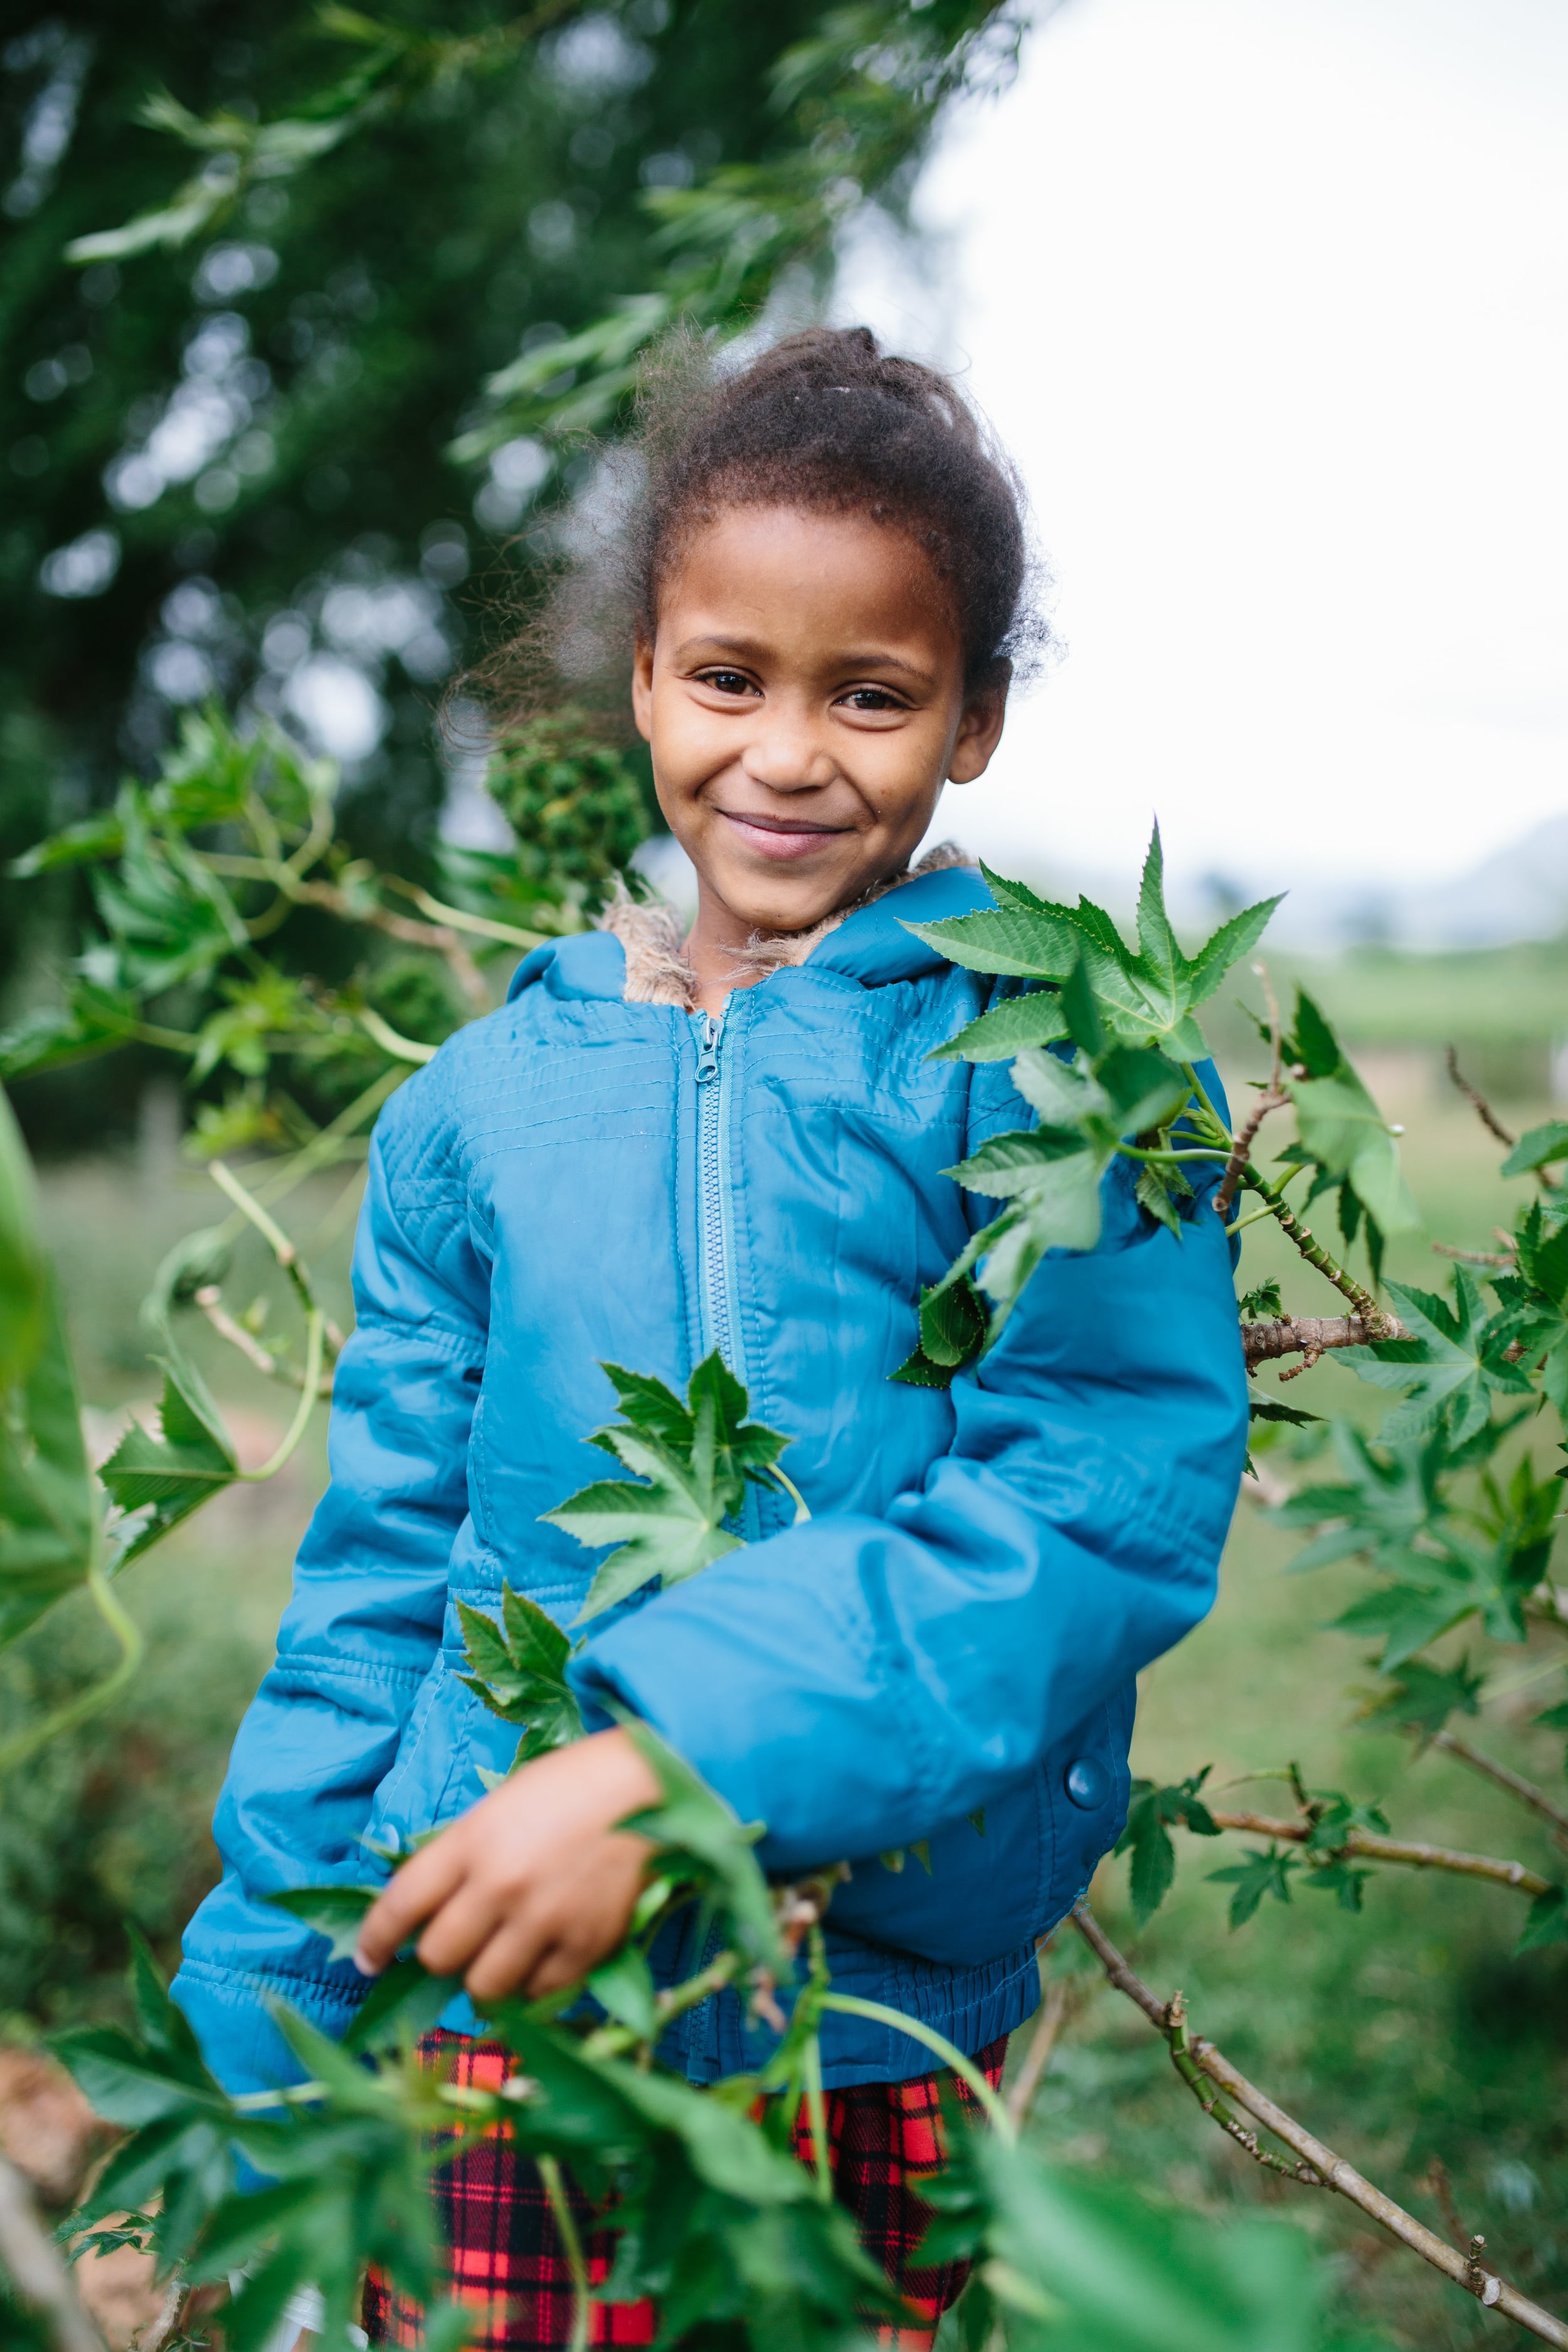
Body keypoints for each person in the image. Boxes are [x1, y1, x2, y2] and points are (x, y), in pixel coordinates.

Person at [174, 326, 1249, 2349]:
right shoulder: (478, 1107)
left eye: (872, 695)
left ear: (976, 720)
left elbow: (1095, 1498)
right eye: (728, 680)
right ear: (648, 682)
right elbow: (385, 1572)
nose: (784, 753)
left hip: (862, 2003)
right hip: (495, 1998)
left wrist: (671, 1765)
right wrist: (272, 1985)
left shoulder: (1068, 1060)